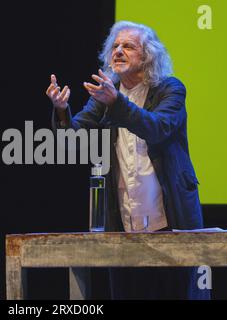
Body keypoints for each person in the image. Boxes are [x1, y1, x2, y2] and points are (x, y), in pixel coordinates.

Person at [45, 21, 210, 299]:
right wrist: (62, 112)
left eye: (128, 46)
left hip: (171, 221)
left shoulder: (170, 89)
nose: (118, 51)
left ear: (147, 56)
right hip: (123, 223)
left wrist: (116, 103)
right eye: (115, 46)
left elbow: (157, 128)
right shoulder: (107, 96)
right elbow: (74, 139)